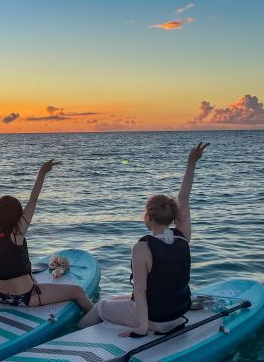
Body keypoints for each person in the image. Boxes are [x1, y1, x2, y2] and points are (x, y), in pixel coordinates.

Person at [78, 142, 210, 334]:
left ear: (148, 217)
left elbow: (140, 291)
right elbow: (184, 198)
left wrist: (142, 327)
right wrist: (192, 163)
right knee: (116, 300)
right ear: (172, 216)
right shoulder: (183, 237)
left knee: (100, 306)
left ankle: (75, 333)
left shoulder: (142, 248)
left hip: (155, 319)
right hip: (178, 311)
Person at [0, 160, 94, 312]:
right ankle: (98, 319)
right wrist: (42, 173)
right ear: (16, 215)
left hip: (2, 296)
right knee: (77, 292)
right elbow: (33, 199)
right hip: (25, 297)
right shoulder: (17, 230)